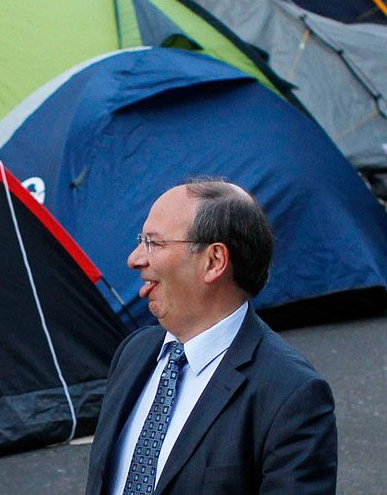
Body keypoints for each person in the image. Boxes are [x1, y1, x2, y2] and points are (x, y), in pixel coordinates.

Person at [85, 179, 337, 495]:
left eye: (154, 243)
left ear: (214, 261)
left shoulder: (290, 394)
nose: (134, 259)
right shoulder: (134, 353)